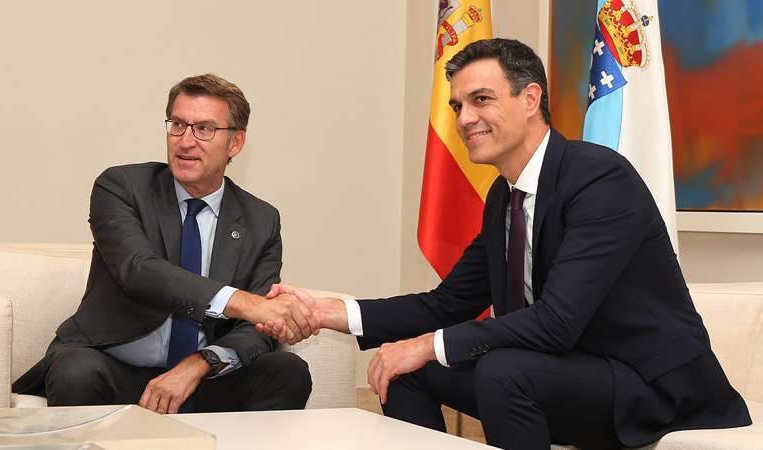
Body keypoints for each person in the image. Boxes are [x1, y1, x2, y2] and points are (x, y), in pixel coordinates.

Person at [260, 39, 751, 449]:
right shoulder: (505, 196)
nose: (464, 118)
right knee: (400, 368)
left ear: (530, 99)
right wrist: (327, 312)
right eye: (457, 106)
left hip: (650, 387)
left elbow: (556, 322)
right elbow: (447, 304)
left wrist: (428, 345)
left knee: (499, 369)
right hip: (566, 373)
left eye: (481, 99)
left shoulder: (600, 178)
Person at [13, 74, 320, 414]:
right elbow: (139, 270)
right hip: (115, 369)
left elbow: (257, 326)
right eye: (178, 125)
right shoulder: (122, 187)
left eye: (204, 129)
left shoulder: (260, 220)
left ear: (235, 143)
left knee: (288, 372)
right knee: (76, 371)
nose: (185, 141)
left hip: (201, 377)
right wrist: (243, 302)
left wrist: (200, 363)